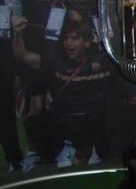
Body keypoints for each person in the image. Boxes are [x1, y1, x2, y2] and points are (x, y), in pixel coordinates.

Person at [12, 18, 111, 167]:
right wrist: (18, 34)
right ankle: (60, 151)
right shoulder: (55, 63)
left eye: (74, 39)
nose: (69, 43)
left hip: (94, 121)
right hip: (65, 121)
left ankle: (95, 150)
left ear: (87, 43)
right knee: (34, 122)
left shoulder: (101, 63)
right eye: (66, 39)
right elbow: (22, 55)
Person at [0, 0, 24, 171]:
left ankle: (18, 156)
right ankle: (13, 156)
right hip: (3, 34)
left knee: (11, 97)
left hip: (18, 33)